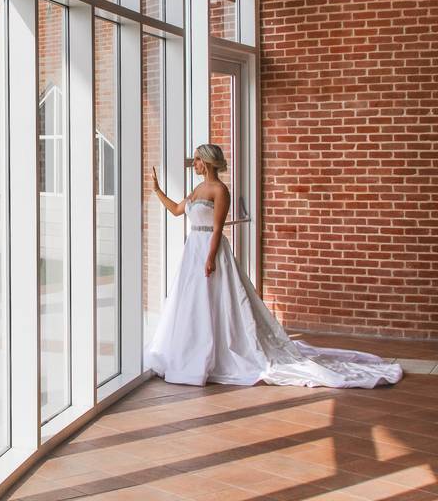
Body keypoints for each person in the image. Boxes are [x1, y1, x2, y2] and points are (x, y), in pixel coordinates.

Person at [145, 143, 402, 388]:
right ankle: (192, 349)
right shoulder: (197, 189)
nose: (195, 164)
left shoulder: (220, 191)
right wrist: (157, 190)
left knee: (216, 300)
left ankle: (220, 351)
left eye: (198, 159)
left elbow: (217, 229)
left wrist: (211, 257)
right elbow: (178, 210)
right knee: (192, 302)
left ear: (208, 162)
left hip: (209, 249)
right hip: (193, 250)